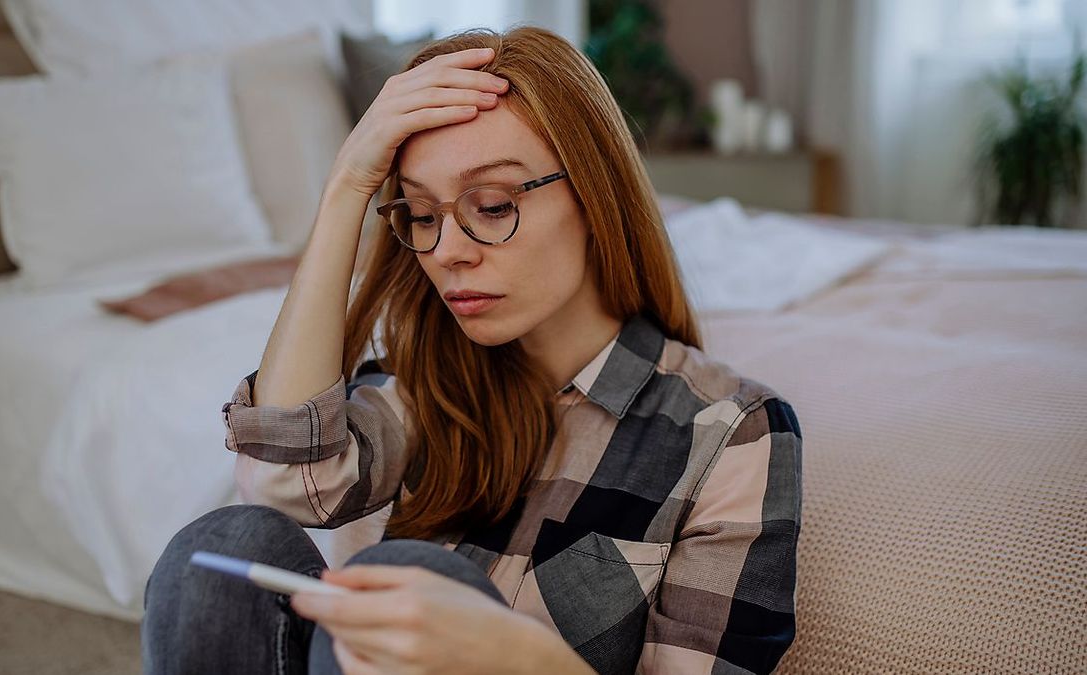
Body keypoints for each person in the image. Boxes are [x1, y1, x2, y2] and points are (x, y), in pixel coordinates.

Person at [143, 25, 803, 675]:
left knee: (405, 573)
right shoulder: (424, 387)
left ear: (596, 195)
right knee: (219, 545)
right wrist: (346, 185)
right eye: (424, 216)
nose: (448, 250)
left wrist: (519, 657)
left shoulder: (731, 433)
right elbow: (283, 484)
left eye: (490, 205)